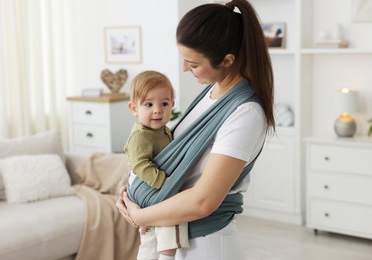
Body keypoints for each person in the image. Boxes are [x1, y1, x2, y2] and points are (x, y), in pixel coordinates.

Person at [117, 0, 275, 259]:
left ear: (227, 60)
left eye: (192, 63)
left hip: (205, 244)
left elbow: (204, 200)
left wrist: (139, 214)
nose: (183, 68)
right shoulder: (210, 93)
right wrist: (129, 197)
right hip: (174, 235)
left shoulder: (245, 113)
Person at [125, 70, 189, 260]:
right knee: (172, 213)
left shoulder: (163, 130)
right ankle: (168, 256)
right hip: (148, 185)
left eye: (164, 103)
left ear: (172, 105)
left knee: (149, 236)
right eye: (149, 104)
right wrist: (165, 182)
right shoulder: (141, 135)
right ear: (134, 108)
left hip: (147, 187)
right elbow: (140, 164)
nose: (157, 110)